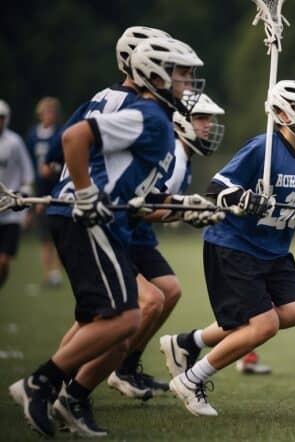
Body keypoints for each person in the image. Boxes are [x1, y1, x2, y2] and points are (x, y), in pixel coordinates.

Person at [8, 37, 205, 438]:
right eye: (182, 76)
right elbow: (72, 138)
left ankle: (64, 396)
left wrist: (188, 206)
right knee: (129, 317)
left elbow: (137, 194)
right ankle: (42, 385)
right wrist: (84, 192)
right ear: (155, 75)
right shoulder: (150, 115)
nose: (189, 84)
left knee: (111, 320)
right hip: (84, 220)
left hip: (95, 219)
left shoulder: (154, 117)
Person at [164, 79, 295, 417]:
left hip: (274, 251)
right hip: (236, 245)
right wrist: (244, 197)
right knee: (262, 325)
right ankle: (191, 380)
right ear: (284, 112)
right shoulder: (262, 148)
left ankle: (188, 342)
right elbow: (217, 188)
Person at [106, 93, 226, 399]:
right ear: (181, 120)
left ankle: (127, 368)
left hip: (139, 236)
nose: (208, 126)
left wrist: (188, 212)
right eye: (201, 118)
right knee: (151, 300)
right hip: (123, 234)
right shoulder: (172, 155)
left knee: (170, 290)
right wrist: (189, 212)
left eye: (209, 120)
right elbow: (145, 208)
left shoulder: (183, 157)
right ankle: (88, 377)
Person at [26, 97, 63, 287]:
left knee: (58, 235)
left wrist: (54, 170)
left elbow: (66, 162)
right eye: (45, 112)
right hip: (41, 192)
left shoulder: (60, 133)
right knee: (44, 237)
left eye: (52, 112)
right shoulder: (33, 135)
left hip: (57, 191)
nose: (49, 115)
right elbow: (31, 166)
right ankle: (47, 273)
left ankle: (57, 272)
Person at [0, 99, 35, 289]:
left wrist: (26, 189)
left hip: (10, 211)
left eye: (1, 118)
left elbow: (27, 170)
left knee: (4, 261)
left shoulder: (14, 142)